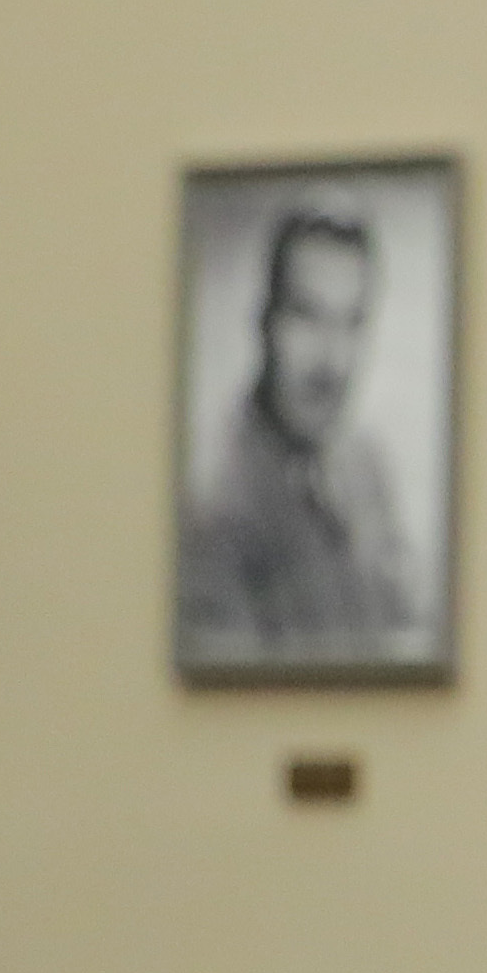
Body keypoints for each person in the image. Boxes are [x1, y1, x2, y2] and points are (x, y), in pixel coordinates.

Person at [179, 189, 417, 662]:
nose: (333, 362)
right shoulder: (214, 500)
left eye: (351, 323)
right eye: (307, 316)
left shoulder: (367, 464)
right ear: (265, 321)